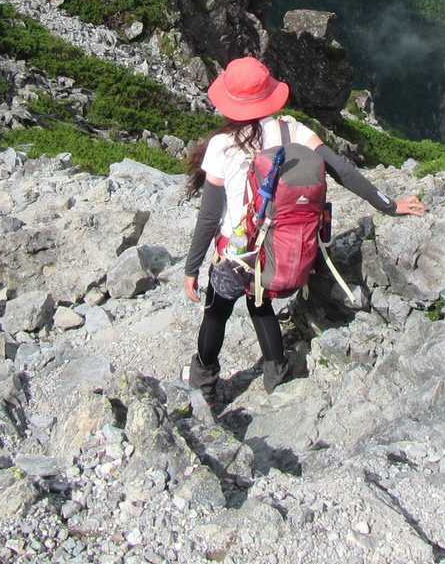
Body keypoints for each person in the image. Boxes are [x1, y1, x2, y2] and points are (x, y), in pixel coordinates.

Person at [181, 56, 426, 397]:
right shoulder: (291, 130)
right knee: (260, 303)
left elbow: (209, 216)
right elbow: (343, 171)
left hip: (235, 252)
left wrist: (191, 268)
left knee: (216, 314)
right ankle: (276, 374)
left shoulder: (222, 145)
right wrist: (389, 205)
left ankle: (204, 385)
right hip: (276, 249)